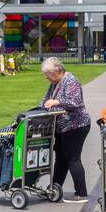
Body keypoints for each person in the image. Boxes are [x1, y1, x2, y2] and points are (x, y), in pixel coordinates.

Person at [41, 57, 91, 201]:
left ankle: (81, 193)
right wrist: (43, 105)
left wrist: (56, 101)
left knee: (72, 159)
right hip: (63, 127)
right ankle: (54, 188)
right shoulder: (56, 83)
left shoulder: (71, 81)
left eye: (48, 74)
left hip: (76, 125)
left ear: (58, 71)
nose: (46, 77)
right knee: (61, 158)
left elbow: (75, 102)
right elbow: (46, 99)